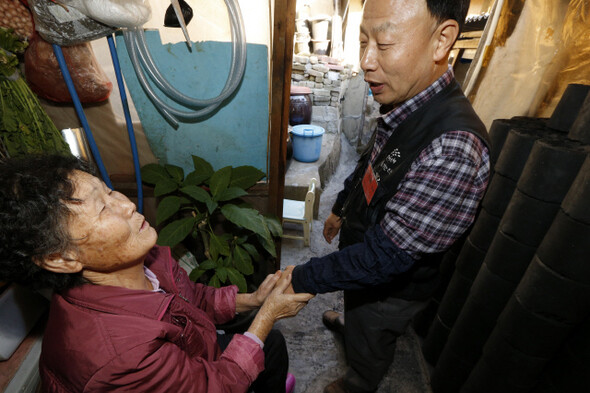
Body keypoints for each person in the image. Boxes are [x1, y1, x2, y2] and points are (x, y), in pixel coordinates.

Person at [288, 1, 491, 392]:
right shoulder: (407, 105)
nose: (365, 61)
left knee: (372, 335)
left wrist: (302, 277)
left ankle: (359, 380)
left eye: (383, 44)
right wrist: (343, 208)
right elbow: (376, 162)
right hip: (365, 256)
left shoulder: (453, 148)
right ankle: (353, 324)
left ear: (442, 40)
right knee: (357, 309)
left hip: (390, 288)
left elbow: (385, 258)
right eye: (363, 41)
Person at [0, 154, 314, 393]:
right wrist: (267, 315)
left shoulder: (146, 260)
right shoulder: (121, 357)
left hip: (192, 353)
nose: (126, 205)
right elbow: (212, 387)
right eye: (103, 209)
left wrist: (255, 300)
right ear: (61, 258)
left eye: (110, 192)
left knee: (270, 346)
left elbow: (193, 298)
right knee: (263, 341)